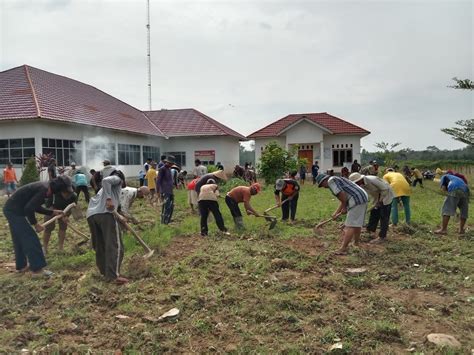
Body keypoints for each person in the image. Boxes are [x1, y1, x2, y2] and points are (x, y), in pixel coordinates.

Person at [3, 176, 73, 276]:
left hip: (12, 210)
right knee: (31, 238)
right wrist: (35, 224)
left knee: (19, 238)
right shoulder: (44, 189)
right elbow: (29, 208)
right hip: (14, 212)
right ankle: (37, 270)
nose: (64, 193)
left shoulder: (46, 188)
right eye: (64, 190)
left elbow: (34, 206)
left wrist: (52, 212)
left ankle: (21, 266)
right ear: (59, 187)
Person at [86, 171, 128, 284]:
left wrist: (120, 218)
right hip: (105, 215)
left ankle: (105, 272)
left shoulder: (103, 190)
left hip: (91, 215)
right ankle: (113, 276)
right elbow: (105, 180)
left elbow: (114, 209)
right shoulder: (117, 179)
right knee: (115, 245)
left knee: (100, 245)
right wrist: (109, 199)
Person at [316, 174, 368, 255]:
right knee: (357, 223)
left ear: (324, 180)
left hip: (356, 198)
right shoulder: (336, 178)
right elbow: (343, 198)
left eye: (322, 185)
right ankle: (356, 244)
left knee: (350, 225)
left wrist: (344, 207)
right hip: (362, 197)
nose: (323, 187)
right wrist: (336, 212)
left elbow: (342, 195)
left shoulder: (331, 181)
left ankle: (343, 248)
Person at [349, 172, 394, 244]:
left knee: (384, 216)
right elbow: (367, 195)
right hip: (377, 197)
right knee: (374, 213)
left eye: (356, 182)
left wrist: (380, 201)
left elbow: (384, 189)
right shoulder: (361, 185)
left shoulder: (372, 179)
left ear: (360, 179)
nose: (356, 184)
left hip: (386, 196)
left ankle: (382, 237)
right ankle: (370, 229)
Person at [43, 189, 77, 254]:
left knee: (63, 228)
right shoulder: (54, 193)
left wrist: (66, 216)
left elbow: (73, 207)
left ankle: (60, 248)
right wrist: (57, 213)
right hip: (52, 210)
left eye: (68, 194)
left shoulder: (73, 196)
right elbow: (48, 205)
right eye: (65, 194)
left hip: (65, 211)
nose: (66, 196)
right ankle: (45, 248)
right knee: (48, 228)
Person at [157, 156, 175, 224]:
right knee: (166, 206)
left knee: (171, 206)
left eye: (172, 163)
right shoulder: (162, 169)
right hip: (165, 191)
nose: (171, 164)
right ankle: (164, 221)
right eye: (170, 163)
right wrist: (158, 191)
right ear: (167, 162)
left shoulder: (169, 169)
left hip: (170, 191)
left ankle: (168, 220)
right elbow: (158, 181)